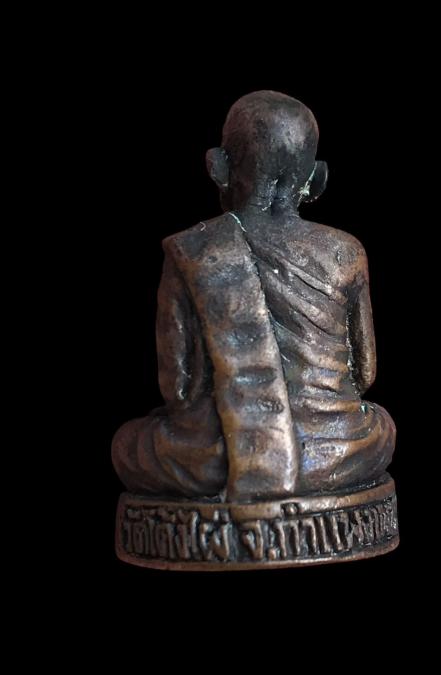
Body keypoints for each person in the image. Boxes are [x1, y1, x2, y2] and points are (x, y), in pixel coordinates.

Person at [112, 90, 396, 503]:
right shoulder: (347, 252)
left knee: (129, 443)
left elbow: (178, 389)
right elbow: (365, 374)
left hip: (223, 455)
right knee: (381, 425)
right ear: (318, 178)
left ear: (217, 166)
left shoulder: (193, 251)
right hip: (339, 450)